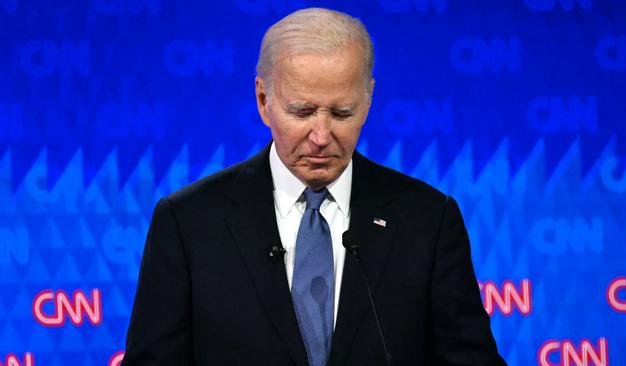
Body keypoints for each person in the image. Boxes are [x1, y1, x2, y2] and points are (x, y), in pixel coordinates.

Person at [122, 7, 506, 366]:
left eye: (342, 113)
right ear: (262, 100)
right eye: (302, 112)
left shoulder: (427, 219)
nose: (321, 136)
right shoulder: (188, 223)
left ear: (368, 99)